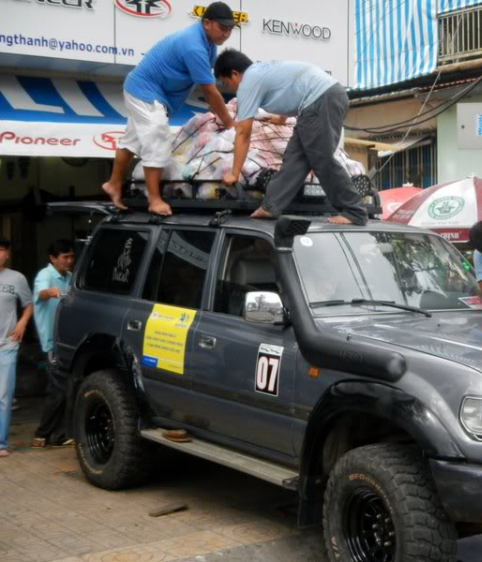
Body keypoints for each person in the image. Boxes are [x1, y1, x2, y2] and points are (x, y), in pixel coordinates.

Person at [102, 1, 237, 216]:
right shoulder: (194, 45)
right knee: (158, 139)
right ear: (207, 23)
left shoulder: (208, 44)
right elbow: (210, 92)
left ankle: (113, 183)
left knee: (133, 140)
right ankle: (154, 199)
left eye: (230, 29)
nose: (226, 34)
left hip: (151, 93)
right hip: (145, 90)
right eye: (223, 28)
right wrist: (231, 125)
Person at [214, 49, 368, 226]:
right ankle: (271, 206)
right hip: (320, 100)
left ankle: (354, 211)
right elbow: (291, 87)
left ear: (234, 74)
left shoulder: (248, 82)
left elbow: (243, 132)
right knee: (295, 158)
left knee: (321, 158)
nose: (230, 89)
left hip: (321, 100)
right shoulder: (262, 70)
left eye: (227, 83)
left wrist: (234, 173)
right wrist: (281, 118)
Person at [30, 240, 75, 449]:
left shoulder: (70, 278)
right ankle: (45, 433)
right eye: (65, 257)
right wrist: (50, 292)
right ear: (53, 258)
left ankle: (54, 434)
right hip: (51, 344)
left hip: (66, 343)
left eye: (71, 257)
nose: (69, 261)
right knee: (59, 389)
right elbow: (40, 294)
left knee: (62, 388)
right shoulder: (45, 276)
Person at [0, 239, 33, 458]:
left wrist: (22, 322)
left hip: (7, 344)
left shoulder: (17, 278)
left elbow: (28, 305)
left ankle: (1, 443)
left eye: (1, 250)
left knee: (4, 395)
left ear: (7, 254)